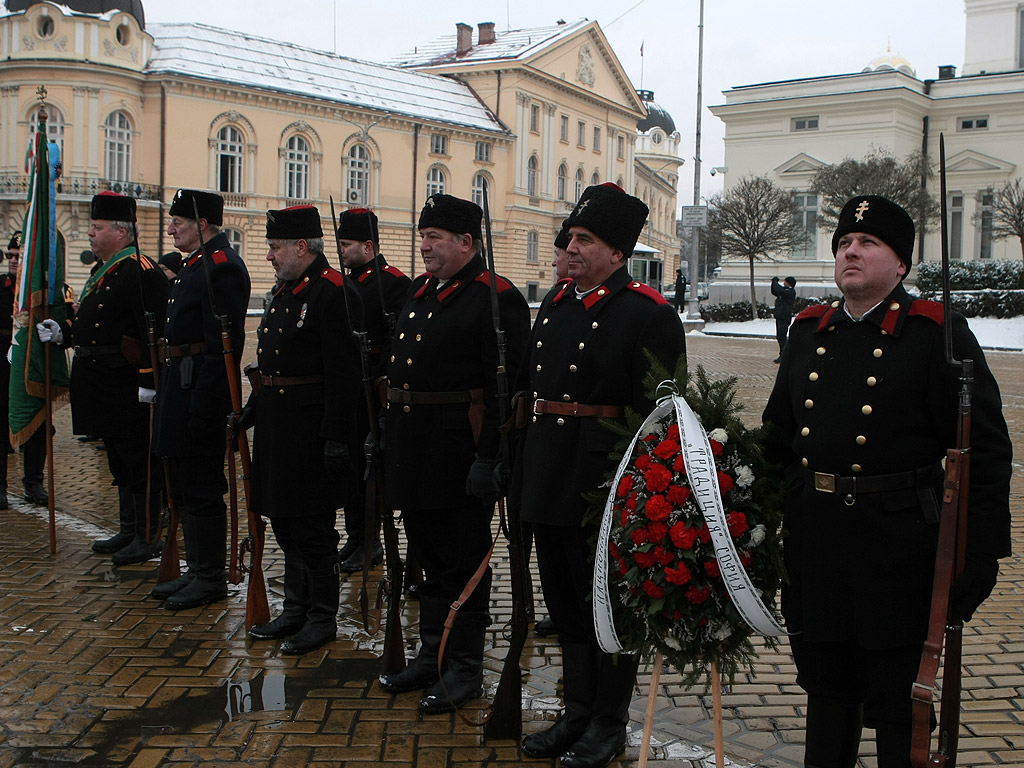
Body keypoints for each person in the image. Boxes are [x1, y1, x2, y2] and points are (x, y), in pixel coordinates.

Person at [762, 195, 1012, 768]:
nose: (852, 251)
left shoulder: (935, 333)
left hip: (898, 550)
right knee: (826, 694)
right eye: (845, 243)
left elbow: (986, 450)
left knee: (902, 710)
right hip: (817, 542)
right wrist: (746, 524)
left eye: (868, 243)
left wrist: (981, 552)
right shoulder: (807, 330)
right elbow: (778, 437)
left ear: (900, 265)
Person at [516, 183, 687, 768]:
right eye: (571, 237)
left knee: (607, 608)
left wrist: (641, 494)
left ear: (617, 253)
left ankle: (608, 723)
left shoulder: (647, 314)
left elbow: (660, 418)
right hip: (548, 469)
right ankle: (577, 713)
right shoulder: (558, 303)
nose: (573, 246)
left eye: (585, 239)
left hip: (604, 481)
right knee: (564, 605)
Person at [377, 193, 529, 714]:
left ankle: (462, 666)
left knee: (463, 562)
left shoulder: (495, 297)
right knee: (428, 560)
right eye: (423, 238)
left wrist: (491, 457)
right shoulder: (422, 290)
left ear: (467, 242)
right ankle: (431, 653)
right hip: (413, 446)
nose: (425, 248)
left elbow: (504, 390)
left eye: (434, 239)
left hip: (459, 453)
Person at [242, 206, 363, 654]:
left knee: (313, 530)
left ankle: (321, 617)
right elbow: (273, 364)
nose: (270, 256)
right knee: (285, 523)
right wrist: (253, 410)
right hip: (279, 424)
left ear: (300, 247)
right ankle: (294, 609)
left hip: (312, 430)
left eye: (275, 247)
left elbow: (345, 373)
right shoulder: (286, 290)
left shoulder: (335, 292)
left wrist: (335, 436)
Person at [36, 192, 169, 563]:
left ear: (121, 231)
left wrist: (149, 379)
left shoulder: (140, 271)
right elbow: (97, 324)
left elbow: (152, 331)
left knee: (138, 459)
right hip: (101, 383)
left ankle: (147, 534)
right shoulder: (104, 269)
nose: (90, 234)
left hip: (126, 383)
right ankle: (129, 529)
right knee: (117, 459)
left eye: (97, 228)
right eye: (91, 227)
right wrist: (63, 331)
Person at [151, 189, 250, 610]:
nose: (171, 228)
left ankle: (209, 577)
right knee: (187, 486)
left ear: (203, 225)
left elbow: (221, 346)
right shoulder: (197, 264)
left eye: (179, 221)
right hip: (180, 382)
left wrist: (207, 406)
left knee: (204, 487)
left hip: (199, 388)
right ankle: (196, 569)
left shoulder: (221, 267)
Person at [334, 207, 411, 574]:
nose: (341, 250)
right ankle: (354, 537)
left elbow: (397, 341)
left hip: (375, 390)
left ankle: (370, 541)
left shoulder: (394, 282)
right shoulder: (341, 283)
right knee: (349, 469)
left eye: (346, 244)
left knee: (369, 472)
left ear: (368, 246)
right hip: (348, 388)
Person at [1, 232, 48, 508]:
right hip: (1, 366)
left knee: (37, 425)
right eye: (10, 256)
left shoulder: (43, 291)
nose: (13, 261)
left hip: (31, 365)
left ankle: (34, 483)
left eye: (19, 257)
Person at [770, 275, 797, 363]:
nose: (784, 283)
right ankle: (783, 355)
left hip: (784, 317)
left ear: (789, 283)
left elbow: (779, 290)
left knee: (782, 337)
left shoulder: (790, 292)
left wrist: (775, 282)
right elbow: (775, 291)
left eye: (785, 282)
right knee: (780, 337)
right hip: (780, 316)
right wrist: (773, 283)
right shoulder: (785, 291)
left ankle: (785, 356)